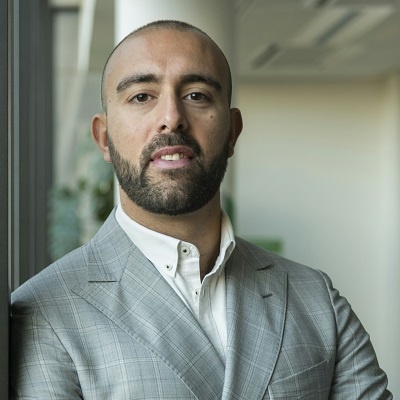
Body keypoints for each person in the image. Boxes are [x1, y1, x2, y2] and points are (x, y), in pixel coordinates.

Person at [10, 20, 392, 399]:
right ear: (104, 138)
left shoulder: (316, 298)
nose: (171, 117)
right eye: (142, 96)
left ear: (232, 132)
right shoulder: (42, 313)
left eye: (196, 95)